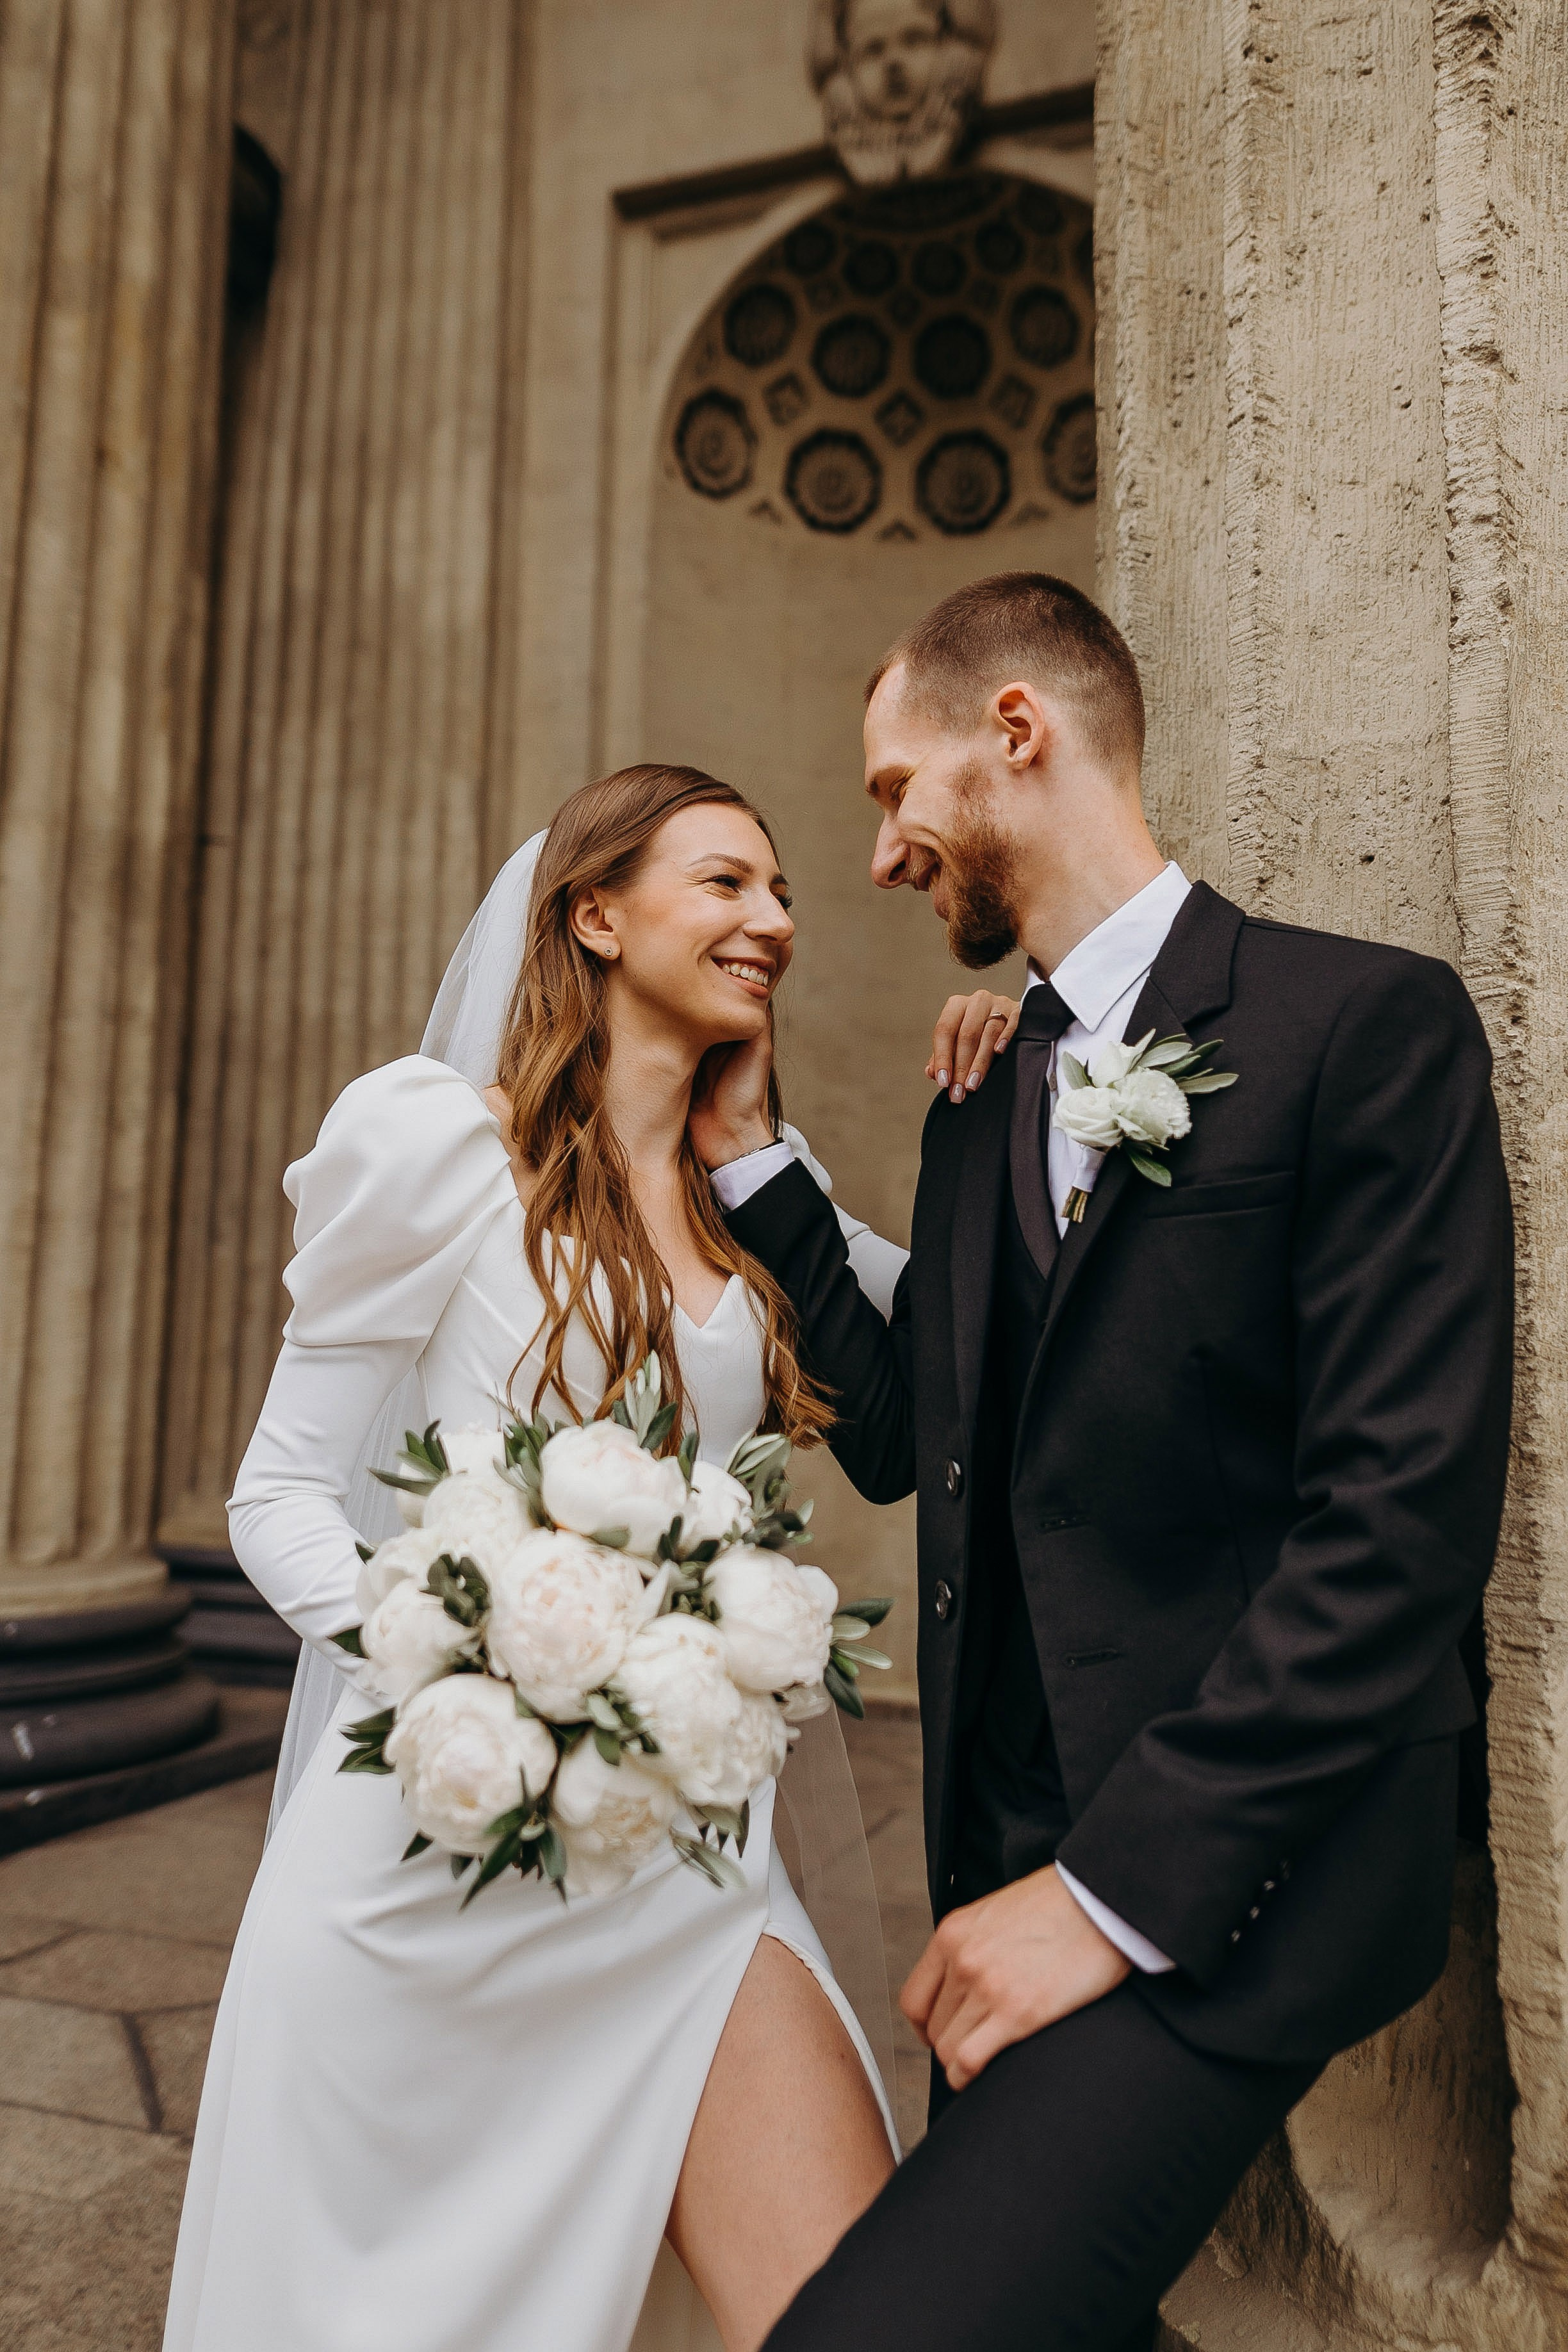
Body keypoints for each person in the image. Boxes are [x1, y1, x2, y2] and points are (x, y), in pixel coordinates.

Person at [690, 573, 1515, 2352]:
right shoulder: (983, 1091)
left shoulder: (1361, 1026)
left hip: (1249, 1858)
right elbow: (915, 1438)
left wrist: (1108, 1893)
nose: (882, 853)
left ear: (1016, 731)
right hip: (1006, 1851)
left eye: (894, 789)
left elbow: (1397, 1525)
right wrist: (753, 1157)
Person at [163, 762, 1013, 2352]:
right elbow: (276, 1495)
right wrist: (463, 1656)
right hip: (434, 1853)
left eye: (780, 891)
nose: (773, 919)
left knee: (860, 2305)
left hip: (688, 1862)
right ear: (597, 916)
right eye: (725, 882)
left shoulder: (760, 1188)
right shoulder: (437, 1149)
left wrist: (1018, 1089)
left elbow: (986, 1331)